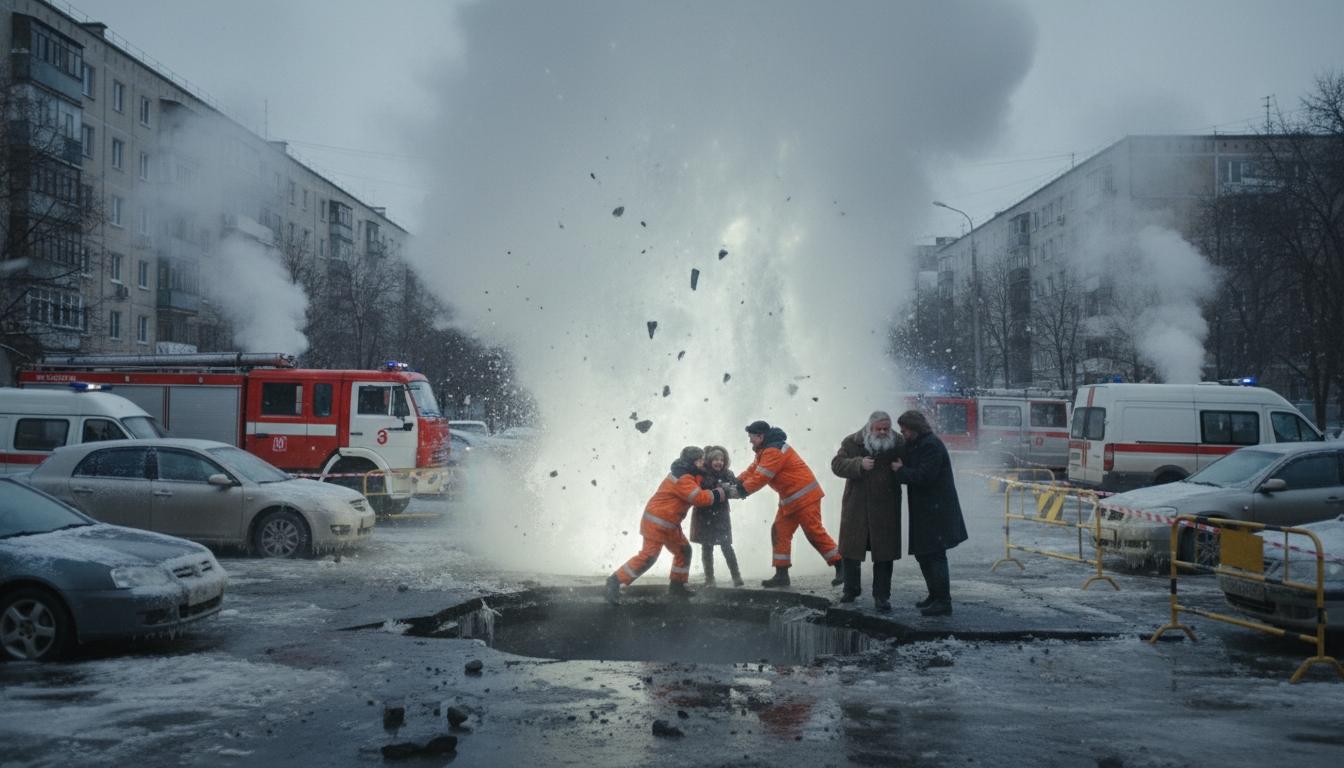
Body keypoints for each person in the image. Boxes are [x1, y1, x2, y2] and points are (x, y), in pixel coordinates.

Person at [606, 446, 729, 604]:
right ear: (692, 462)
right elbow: (699, 498)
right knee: (648, 557)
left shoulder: (689, 473)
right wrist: (720, 492)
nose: (703, 463)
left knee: (684, 551)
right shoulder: (683, 478)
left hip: (669, 524)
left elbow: (700, 482)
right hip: (656, 523)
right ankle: (613, 582)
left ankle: (677, 587)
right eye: (700, 461)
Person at [737, 420, 843, 589]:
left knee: (813, 532)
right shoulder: (765, 449)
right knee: (780, 532)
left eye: (751, 437)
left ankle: (841, 565)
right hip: (792, 499)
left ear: (761, 436)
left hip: (804, 496)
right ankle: (781, 575)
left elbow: (761, 477)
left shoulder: (773, 451)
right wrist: (735, 481)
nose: (750, 440)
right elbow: (753, 471)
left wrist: (740, 491)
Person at [891, 409, 968, 616]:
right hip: (927, 509)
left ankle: (943, 601)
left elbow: (925, 476)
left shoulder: (930, 445)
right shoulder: (919, 443)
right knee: (923, 555)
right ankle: (934, 596)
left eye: (905, 430)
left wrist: (901, 471)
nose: (903, 433)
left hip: (936, 510)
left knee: (935, 555)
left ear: (915, 428)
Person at [831, 411, 904, 612]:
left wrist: (903, 468)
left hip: (886, 506)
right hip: (857, 505)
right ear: (869, 427)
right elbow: (836, 465)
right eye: (878, 429)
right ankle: (850, 590)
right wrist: (858, 464)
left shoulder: (898, 442)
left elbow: (911, 462)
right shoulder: (852, 442)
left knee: (884, 554)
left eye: (885, 429)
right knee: (851, 551)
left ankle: (882, 596)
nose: (882, 432)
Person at [689, 445, 744, 587]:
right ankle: (710, 579)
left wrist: (736, 489)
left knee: (726, 545)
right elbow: (702, 489)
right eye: (715, 459)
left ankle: (736, 577)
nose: (719, 462)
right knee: (707, 548)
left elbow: (735, 488)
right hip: (704, 515)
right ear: (709, 460)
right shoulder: (702, 474)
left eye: (721, 459)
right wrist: (721, 487)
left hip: (721, 515)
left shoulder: (728, 474)